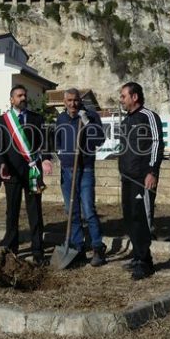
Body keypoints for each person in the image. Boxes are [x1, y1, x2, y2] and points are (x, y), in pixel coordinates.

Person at [0, 84, 52, 265]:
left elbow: (45, 141)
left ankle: (37, 251)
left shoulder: (36, 118)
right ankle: (11, 250)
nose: (23, 98)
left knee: (35, 212)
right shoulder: (3, 120)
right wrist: (2, 164)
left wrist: (47, 159)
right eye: (19, 95)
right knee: (12, 212)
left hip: (33, 171)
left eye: (24, 95)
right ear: (11, 99)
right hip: (12, 173)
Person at [54, 88, 107, 266]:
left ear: (80, 100)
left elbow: (100, 139)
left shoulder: (90, 116)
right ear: (64, 101)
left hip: (85, 170)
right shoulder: (61, 118)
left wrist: (86, 123)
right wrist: (61, 154)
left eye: (75, 100)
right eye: (69, 100)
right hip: (67, 170)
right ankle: (78, 246)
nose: (72, 104)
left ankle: (98, 247)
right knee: (72, 210)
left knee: (88, 209)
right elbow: (57, 140)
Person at [118, 82, 163, 280]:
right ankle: (138, 256)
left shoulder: (149, 117)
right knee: (130, 218)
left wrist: (152, 171)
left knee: (142, 218)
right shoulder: (126, 121)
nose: (121, 100)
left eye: (123, 96)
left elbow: (157, 144)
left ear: (134, 97)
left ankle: (145, 263)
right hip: (127, 177)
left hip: (143, 177)